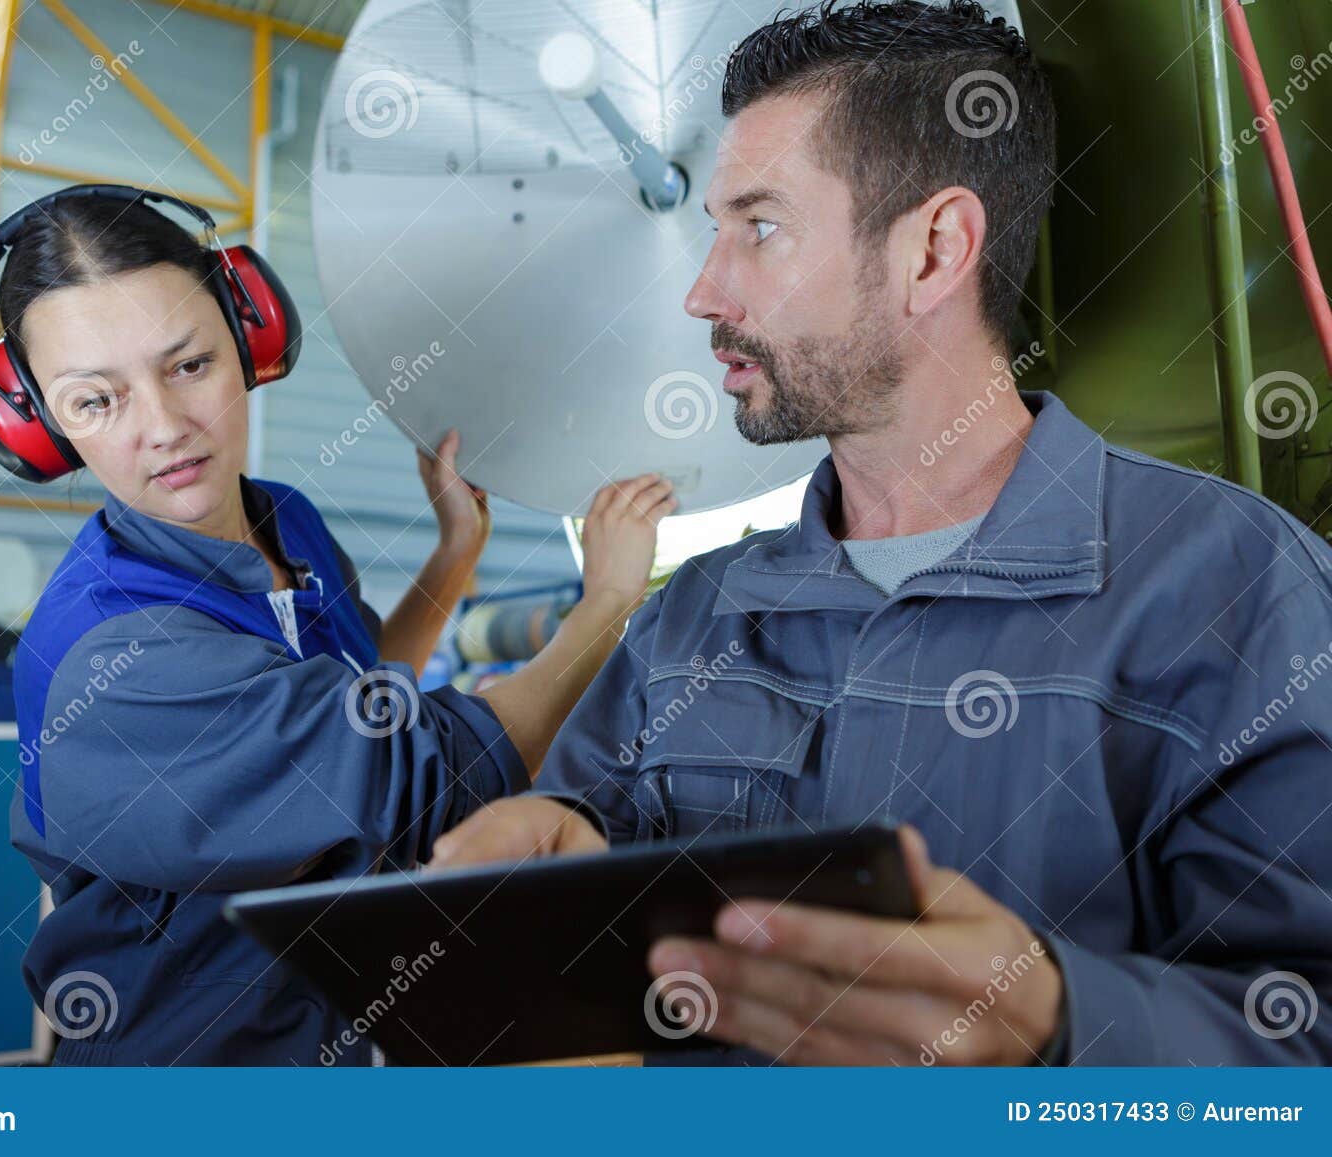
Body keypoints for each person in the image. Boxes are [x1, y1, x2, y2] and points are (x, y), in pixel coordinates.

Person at [431, 0, 1332, 1065]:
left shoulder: (1238, 593)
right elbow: (585, 839)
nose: (701, 289)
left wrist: (1057, 1024)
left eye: (757, 228)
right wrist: (556, 857)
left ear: (934, 249)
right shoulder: (695, 617)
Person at [0, 186, 675, 1064]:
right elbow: (430, 783)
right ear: (39, 426)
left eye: (189, 365)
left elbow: (363, 684)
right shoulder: (118, 659)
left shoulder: (280, 519)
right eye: (95, 402)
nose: (166, 428)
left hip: (342, 1024)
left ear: (250, 339)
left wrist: (457, 549)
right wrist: (606, 604)